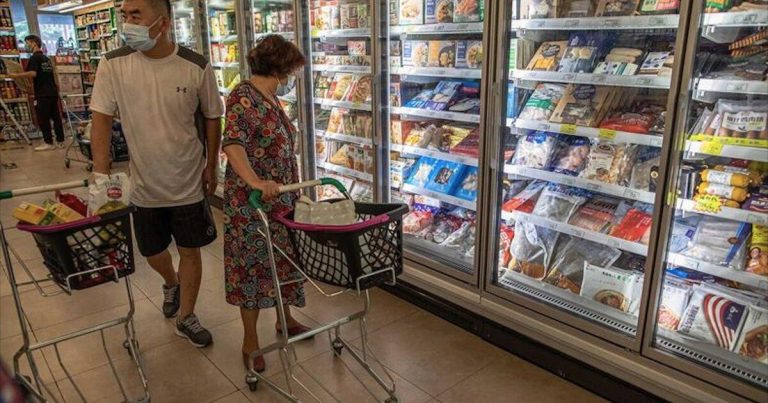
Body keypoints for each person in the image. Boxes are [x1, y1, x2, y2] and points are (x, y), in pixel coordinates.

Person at [89, 0, 223, 348]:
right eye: (125, 15)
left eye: (136, 15)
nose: (127, 22)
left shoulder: (195, 65)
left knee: (190, 250)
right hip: (144, 185)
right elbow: (101, 118)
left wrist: (211, 165)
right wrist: (101, 175)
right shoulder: (113, 63)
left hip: (188, 181)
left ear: (163, 23)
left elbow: (213, 116)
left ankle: (186, 316)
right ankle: (171, 282)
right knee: (151, 252)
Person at [222, 35, 312, 373]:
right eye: (291, 71)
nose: (291, 78)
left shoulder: (270, 98)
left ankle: (284, 319)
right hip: (252, 204)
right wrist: (255, 182)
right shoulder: (242, 97)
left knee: (282, 260)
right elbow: (233, 144)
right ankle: (250, 342)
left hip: (281, 199)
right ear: (280, 69)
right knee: (252, 269)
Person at [9, 35, 65, 151]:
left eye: (27, 43)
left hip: (42, 93)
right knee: (56, 117)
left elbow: (33, 73)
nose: (26, 46)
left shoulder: (34, 58)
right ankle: (60, 141)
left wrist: (16, 75)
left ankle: (48, 142)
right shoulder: (46, 59)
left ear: (34, 43)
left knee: (43, 118)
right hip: (52, 92)